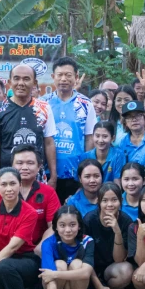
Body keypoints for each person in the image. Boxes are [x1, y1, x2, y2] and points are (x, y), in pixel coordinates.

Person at [0, 63, 57, 186]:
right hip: (7, 178)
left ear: (35, 83)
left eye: (26, 79)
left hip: (37, 178)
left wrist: (53, 176)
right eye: (16, 78)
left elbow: (49, 142)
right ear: (9, 82)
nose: (21, 83)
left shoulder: (44, 108)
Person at [43, 57, 96, 202]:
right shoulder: (43, 103)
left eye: (68, 75)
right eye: (59, 75)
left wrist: (86, 169)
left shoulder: (85, 104)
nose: (63, 79)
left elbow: (89, 137)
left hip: (75, 172)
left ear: (76, 77)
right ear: (53, 77)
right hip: (47, 172)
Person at [0, 144, 60, 247]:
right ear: (12, 166)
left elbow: (54, 226)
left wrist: (41, 247)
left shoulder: (48, 192)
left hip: (34, 250)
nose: (25, 167)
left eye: (30, 163)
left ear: (39, 166)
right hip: (1, 250)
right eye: (19, 163)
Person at [38, 206, 98, 289]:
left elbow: (86, 273)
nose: (68, 230)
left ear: (79, 226)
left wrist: (56, 274)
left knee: (77, 264)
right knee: (60, 264)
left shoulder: (87, 241)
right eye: (62, 225)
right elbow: (49, 278)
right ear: (55, 227)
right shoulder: (48, 243)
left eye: (72, 225)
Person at [83, 182, 133, 289]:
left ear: (121, 201)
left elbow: (119, 259)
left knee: (127, 269)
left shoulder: (126, 221)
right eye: (105, 200)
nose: (110, 205)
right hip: (90, 272)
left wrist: (117, 231)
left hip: (110, 272)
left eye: (114, 200)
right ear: (99, 202)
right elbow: (85, 260)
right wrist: (98, 286)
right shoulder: (89, 220)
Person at [116, 101, 145, 168]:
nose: (134, 119)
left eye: (138, 115)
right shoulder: (123, 143)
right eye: (129, 117)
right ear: (125, 123)